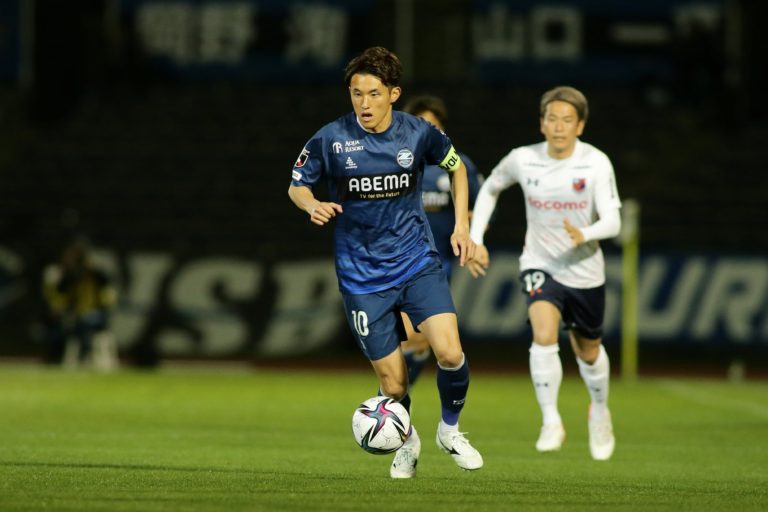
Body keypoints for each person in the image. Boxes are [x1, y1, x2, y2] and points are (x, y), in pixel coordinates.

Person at [288, 46, 483, 478]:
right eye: (356, 93)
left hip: (416, 262)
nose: (364, 103)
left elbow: (457, 169)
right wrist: (311, 204)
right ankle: (407, 441)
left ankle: (449, 431)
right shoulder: (331, 138)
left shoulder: (419, 133)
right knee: (393, 385)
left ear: (394, 94)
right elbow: (297, 184)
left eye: (374, 93)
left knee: (450, 352)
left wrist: (462, 225)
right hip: (362, 278)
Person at [467, 86, 620, 461]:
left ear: (580, 125)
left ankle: (600, 412)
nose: (559, 126)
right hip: (540, 263)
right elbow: (490, 188)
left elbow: (613, 220)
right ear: (542, 123)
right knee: (543, 334)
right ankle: (551, 420)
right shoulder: (523, 159)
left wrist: (586, 233)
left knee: (589, 352)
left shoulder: (596, 163)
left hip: (584, 270)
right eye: (552, 119)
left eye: (567, 120)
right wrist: (476, 238)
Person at [400, 95, 483, 386]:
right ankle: (393, 399)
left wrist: (474, 238)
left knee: (420, 341)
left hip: (437, 265)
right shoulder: (395, 163)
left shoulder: (458, 166)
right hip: (397, 261)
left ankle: (396, 399)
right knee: (409, 335)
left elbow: (480, 206)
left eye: (432, 126)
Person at [42, 238, 117, 366]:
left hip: (95, 314)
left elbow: (108, 294)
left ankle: (86, 355)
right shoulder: (71, 276)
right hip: (75, 314)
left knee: (84, 325)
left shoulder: (97, 276)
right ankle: (64, 357)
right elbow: (61, 294)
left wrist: (106, 305)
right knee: (66, 328)